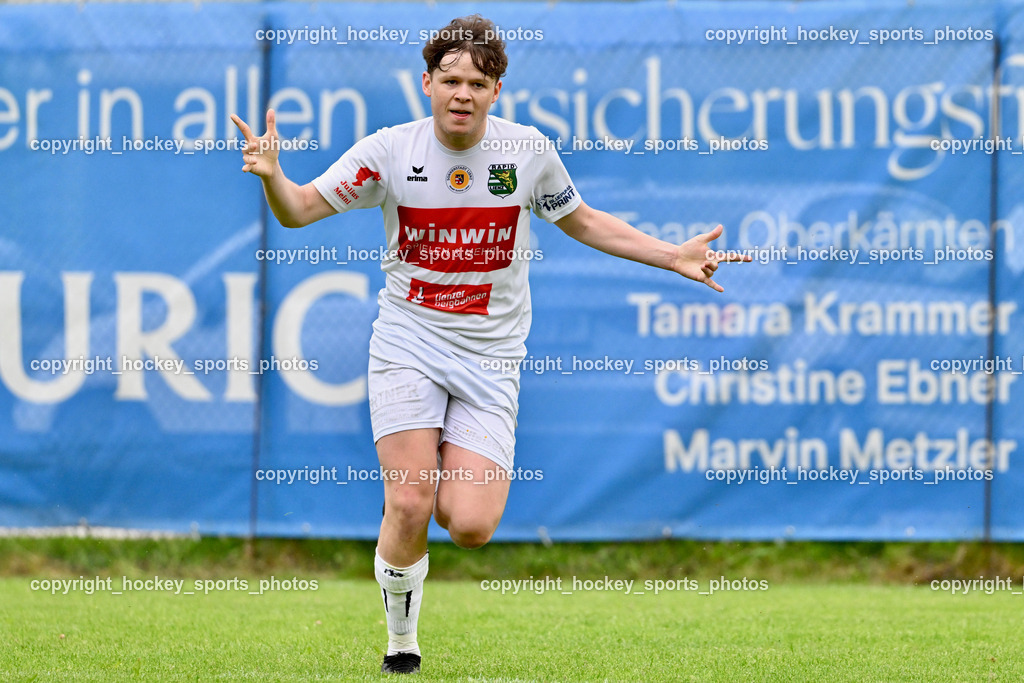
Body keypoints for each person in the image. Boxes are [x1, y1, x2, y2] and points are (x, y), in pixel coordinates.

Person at [232, 14, 749, 675]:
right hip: (408, 344)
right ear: (427, 83)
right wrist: (273, 175)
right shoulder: (389, 151)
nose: (463, 94)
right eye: (451, 80)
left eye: (477, 83)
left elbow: (585, 222)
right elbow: (299, 209)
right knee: (411, 501)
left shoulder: (526, 152)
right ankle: (401, 642)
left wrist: (672, 254)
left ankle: (425, 482)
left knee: (471, 525)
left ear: (496, 91)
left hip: (490, 359)